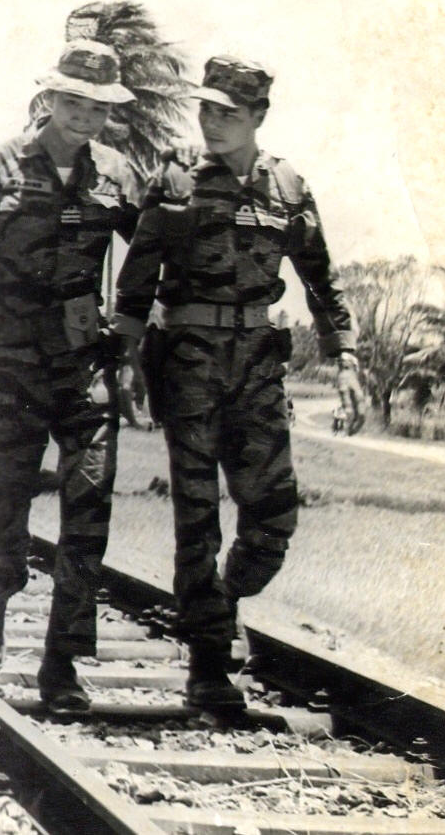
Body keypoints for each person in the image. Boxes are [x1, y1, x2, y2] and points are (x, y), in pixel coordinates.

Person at [112, 55, 365, 710]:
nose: (212, 121)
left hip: (257, 365)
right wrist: (126, 356)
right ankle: (207, 666)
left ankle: (222, 603)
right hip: (188, 364)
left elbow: (321, 279)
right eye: (206, 109)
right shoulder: (175, 179)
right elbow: (137, 278)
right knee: (197, 520)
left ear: (258, 116)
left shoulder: (288, 187)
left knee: (274, 519)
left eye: (227, 112)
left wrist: (346, 358)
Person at [0, 38, 140, 713]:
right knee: (3, 501)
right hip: (12, 360)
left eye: (100, 107)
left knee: (90, 504)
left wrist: (133, 328)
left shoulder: (117, 173)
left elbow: (151, 255)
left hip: (85, 363)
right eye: (74, 101)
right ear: (50, 97)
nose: (85, 116)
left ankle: (63, 663)